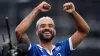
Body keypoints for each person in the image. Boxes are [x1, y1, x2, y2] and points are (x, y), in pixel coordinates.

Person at [15, 1, 90, 56]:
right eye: (43, 26)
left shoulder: (62, 48)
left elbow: (84, 31)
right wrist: (37, 9)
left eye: (50, 26)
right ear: (37, 32)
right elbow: (19, 31)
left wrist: (73, 12)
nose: (47, 28)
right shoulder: (33, 49)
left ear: (54, 31)